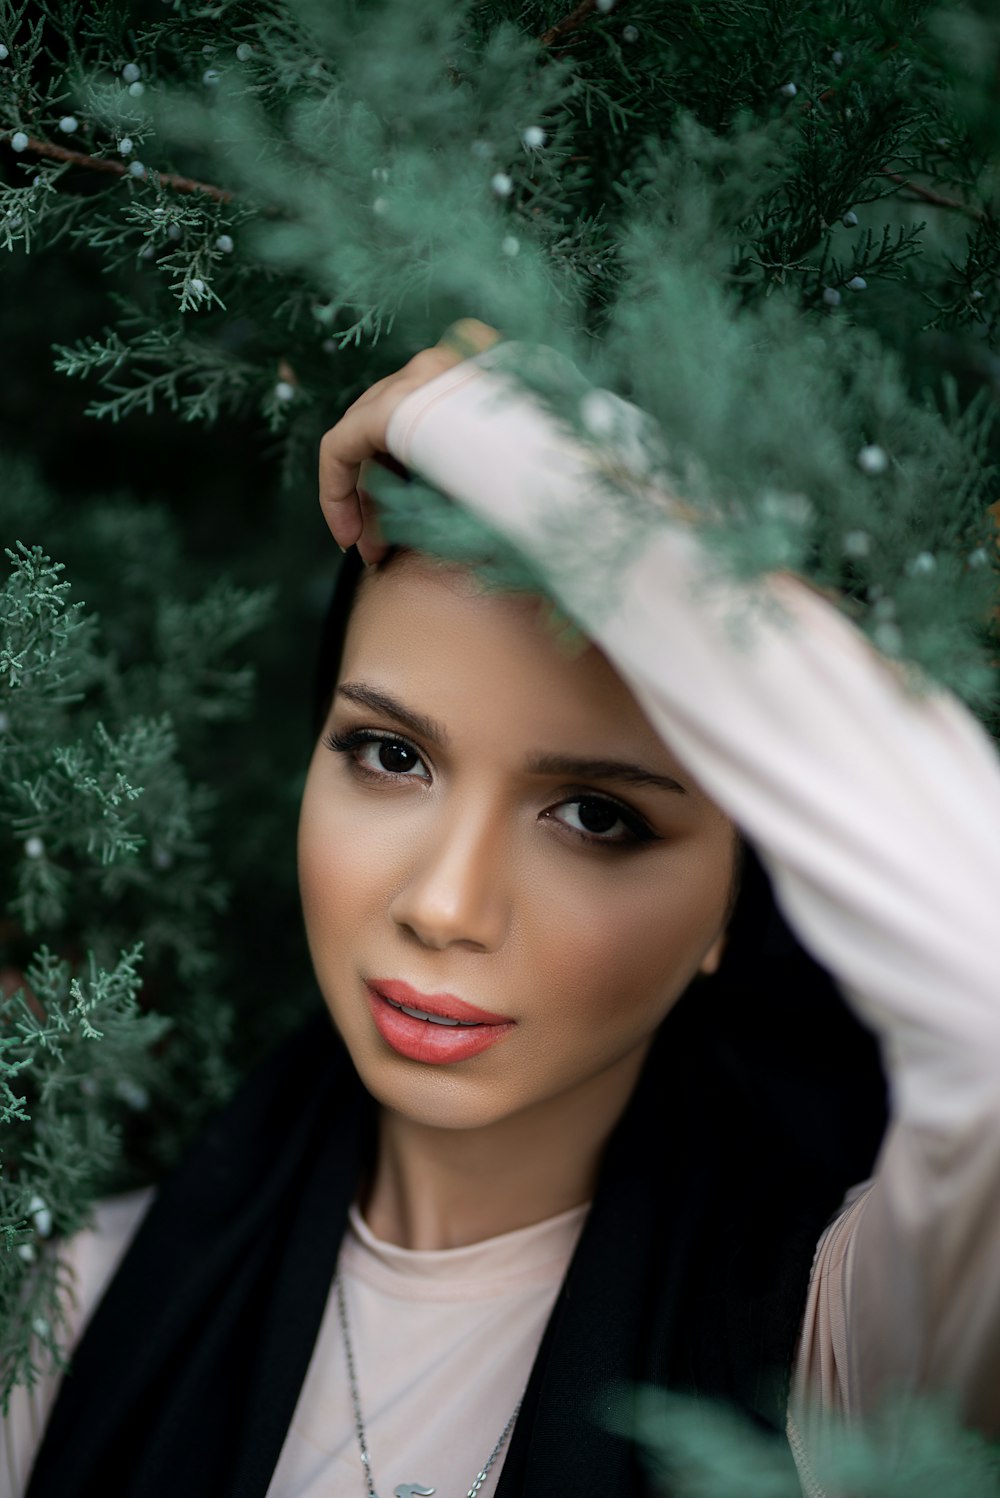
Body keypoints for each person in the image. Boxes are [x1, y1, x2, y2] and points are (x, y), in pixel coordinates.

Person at [6, 325, 1000, 1498]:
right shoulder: (61, 1318)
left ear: (745, 889)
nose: (442, 904)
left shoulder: (838, 1360)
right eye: (388, 753)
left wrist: (521, 449)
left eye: (595, 816)